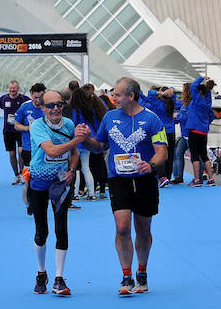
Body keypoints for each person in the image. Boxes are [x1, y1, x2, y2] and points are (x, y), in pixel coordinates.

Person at [82, 77, 168, 295]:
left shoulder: (152, 119)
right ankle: (126, 275)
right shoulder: (110, 117)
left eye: (117, 94)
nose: (113, 98)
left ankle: (142, 271)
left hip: (144, 179)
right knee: (122, 227)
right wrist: (84, 139)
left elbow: (162, 151)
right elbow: (99, 145)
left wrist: (150, 165)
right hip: (118, 178)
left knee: (143, 229)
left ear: (131, 96)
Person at [27, 90, 83, 296]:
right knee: (42, 231)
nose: (56, 109)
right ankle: (41, 272)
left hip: (60, 182)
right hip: (39, 181)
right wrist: (77, 140)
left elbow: (74, 154)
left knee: (62, 228)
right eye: (50, 105)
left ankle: (59, 278)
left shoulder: (68, 124)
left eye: (59, 104)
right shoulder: (37, 126)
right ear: (42, 108)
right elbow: (51, 151)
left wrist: (71, 170)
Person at [70, 84, 108, 200]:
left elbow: (72, 125)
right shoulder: (91, 107)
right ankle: (92, 193)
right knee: (87, 168)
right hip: (91, 140)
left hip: (78, 142)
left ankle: (75, 194)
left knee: (76, 169)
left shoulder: (74, 110)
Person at [139, 87, 180, 186]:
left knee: (160, 154)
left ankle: (162, 176)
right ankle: (168, 177)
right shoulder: (172, 102)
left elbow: (149, 93)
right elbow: (173, 91)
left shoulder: (156, 104)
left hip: (161, 132)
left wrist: (159, 92)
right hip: (171, 132)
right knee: (170, 156)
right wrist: (169, 91)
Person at [0, 80, 30, 185]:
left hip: (20, 130)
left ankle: (22, 173)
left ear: (18, 88)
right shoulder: (4, 99)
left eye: (14, 88)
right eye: (10, 88)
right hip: (8, 130)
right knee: (12, 153)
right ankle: (16, 175)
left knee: (21, 152)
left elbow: (34, 105)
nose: (12, 90)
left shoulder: (24, 99)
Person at [185, 76, 216, 187]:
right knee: (204, 155)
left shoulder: (197, 100)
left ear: (198, 91)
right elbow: (212, 116)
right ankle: (211, 179)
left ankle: (197, 179)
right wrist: (206, 124)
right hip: (204, 132)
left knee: (195, 156)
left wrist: (201, 77)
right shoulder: (208, 103)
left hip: (194, 130)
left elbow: (193, 86)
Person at [14, 83, 46, 178]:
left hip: (45, 147)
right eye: (35, 97)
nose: (37, 100)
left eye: (40, 97)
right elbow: (16, 125)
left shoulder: (48, 107)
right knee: (28, 177)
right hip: (28, 147)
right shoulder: (25, 107)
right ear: (31, 94)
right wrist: (28, 128)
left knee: (43, 175)